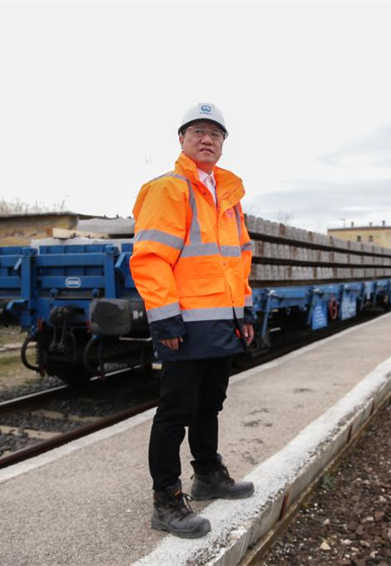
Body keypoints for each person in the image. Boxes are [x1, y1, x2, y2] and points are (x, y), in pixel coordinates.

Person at [130, 102, 256, 539]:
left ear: (223, 144)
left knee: (210, 403)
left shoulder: (228, 197)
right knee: (175, 412)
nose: (208, 139)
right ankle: (166, 500)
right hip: (184, 323)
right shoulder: (169, 189)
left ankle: (208, 475)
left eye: (216, 134)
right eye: (199, 131)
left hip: (222, 322)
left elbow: (238, 261)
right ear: (182, 140)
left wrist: (245, 313)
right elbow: (150, 260)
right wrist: (165, 320)